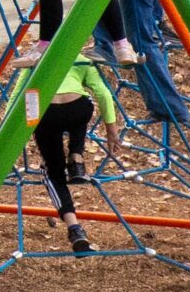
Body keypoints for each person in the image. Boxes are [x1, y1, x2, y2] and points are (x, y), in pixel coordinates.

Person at [24, 43, 121, 254]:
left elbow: (20, 96)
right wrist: (111, 129)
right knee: (81, 109)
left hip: (46, 113)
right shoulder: (81, 59)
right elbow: (103, 94)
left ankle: (74, 228)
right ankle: (76, 158)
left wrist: (20, 132)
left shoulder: (34, 59)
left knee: (52, 173)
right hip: (78, 109)